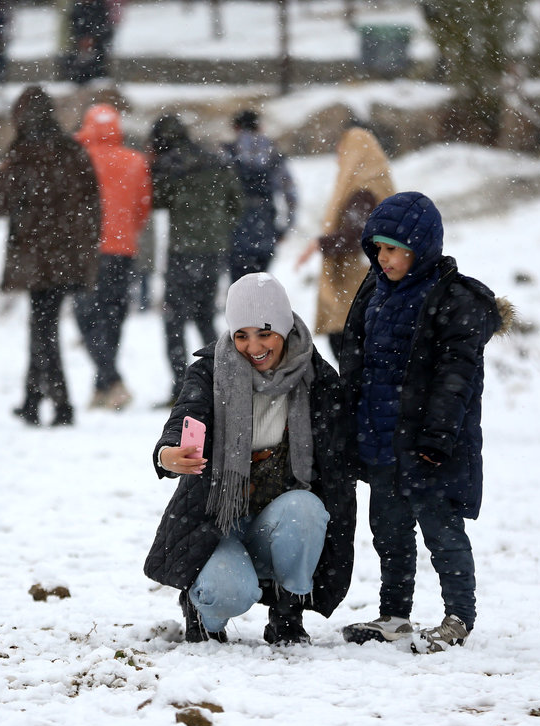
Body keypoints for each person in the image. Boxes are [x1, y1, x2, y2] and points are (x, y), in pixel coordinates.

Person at [339, 191, 511, 653]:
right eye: (378, 248)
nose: (383, 258)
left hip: (429, 445)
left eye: (394, 249)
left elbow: (456, 378)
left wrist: (437, 437)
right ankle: (394, 615)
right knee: (389, 531)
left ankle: (458, 617)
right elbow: (356, 362)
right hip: (380, 439)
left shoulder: (452, 299)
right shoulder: (374, 291)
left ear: (422, 248)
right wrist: (347, 424)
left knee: (442, 531)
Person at [146, 273, 356, 645]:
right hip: (218, 520)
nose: (253, 346)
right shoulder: (211, 371)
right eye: (241, 335)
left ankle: (287, 613)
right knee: (228, 591)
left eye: (264, 333)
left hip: (277, 521)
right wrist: (168, 453)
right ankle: (204, 613)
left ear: (284, 328)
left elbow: (342, 451)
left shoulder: (318, 378)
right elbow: (185, 416)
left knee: (306, 509)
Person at [0, 86, 101, 427]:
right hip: (68, 257)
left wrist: (3, 171)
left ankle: (62, 405)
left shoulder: (22, 155)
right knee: (42, 326)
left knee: (42, 330)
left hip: (35, 258)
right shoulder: (73, 151)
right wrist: (85, 248)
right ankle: (32, 400)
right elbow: (93, 204)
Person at [148, 114, 243, 405]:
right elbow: (236, 203)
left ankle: (181, 387)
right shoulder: (216, 160)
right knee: (205, 318)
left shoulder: (171, 165)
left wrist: (155, 170)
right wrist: (219, 230)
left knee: (174, 321)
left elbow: (156, 200)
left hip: (182, 253)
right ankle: (217, 381)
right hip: (214, 252)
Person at [71, 103, 152, 411]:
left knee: (85, 316)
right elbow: (143, 206)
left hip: (84, 249)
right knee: (112, 316)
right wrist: (127, 231)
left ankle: (111, 380)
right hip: (122, 250)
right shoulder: (135, 160)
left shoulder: (77, 159)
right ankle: (103, 386)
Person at [295, 127, 394, 363]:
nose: (338, 160)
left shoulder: (363, 190)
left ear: (356, 155)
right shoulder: (377, 182)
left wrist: (319, 243)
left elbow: (357, 235)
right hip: (373, 282)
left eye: (342, 154)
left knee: (348, 349)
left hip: (356, 285)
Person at [224, 109, 298, 283]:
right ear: (260, 127)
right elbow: (291, 194)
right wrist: (285, 227)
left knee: (237, 286)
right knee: (260, 284)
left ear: (236, 127)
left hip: (235, 229)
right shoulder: (273, 153)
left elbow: (218, 192)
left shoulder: (228, 152)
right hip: (265, 227)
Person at [67, 0, 114, 84]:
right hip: (82, 45)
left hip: (97, 45)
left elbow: (104, 26)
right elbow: (74, 26)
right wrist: (81, 38)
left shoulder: (100, 7)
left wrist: (94, 38)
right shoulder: (78, 8)